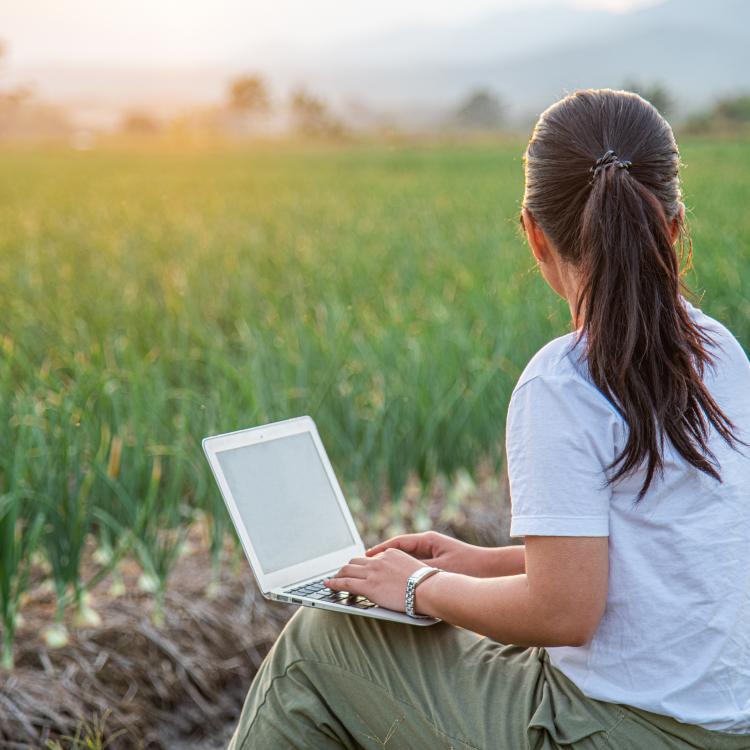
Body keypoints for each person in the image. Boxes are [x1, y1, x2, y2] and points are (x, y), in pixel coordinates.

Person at [227, 88, 750, 749]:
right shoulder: (722, 353)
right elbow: (654, 558)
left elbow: (565, 611)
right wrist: (473, 565)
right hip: (725, 726)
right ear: (673, 226)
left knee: (318, 642)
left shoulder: (563, 384)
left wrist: (417, 586)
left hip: (615, 731)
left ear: (534, 233)